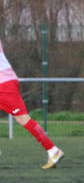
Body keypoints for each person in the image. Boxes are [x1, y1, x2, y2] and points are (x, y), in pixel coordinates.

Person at [0, 36, 64, 168]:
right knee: (22, 119)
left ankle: (53, 150)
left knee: (23, 119)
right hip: (6, 82)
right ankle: (53, 150)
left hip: (4, 85)